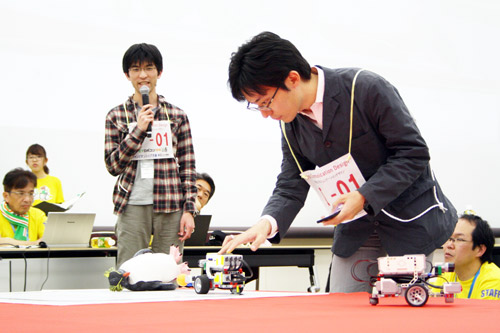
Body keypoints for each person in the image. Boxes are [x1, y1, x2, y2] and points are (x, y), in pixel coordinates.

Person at [220, 31, 457, 293]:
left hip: (409, 222)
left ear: (293, 78)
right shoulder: (290, 124)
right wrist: (266, 223)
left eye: (265, 102)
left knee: (406, 312)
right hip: (356, 230)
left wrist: (364, 196)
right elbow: (291, 183)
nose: (266, 114)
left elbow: (413, 153)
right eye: (257, 106)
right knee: (340, 312)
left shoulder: (364, 88)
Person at [105, 43, 197, 267]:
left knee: (168, 273)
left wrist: (189, 210)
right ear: (127, 75)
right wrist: (138, 129)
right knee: (129, 272)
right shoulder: (116, 115)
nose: (143, 75)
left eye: (149, 68)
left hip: (171, 204)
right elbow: (112, 165)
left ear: (159, 72)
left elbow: (188, 165)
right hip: (132, 204)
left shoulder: (176, 115)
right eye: (136, 69)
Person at [434, 213, 500, 300]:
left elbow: (484, 313)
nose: (449, 245)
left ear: (480, 250)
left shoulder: (493, 280)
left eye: (459, 239)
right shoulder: (445, 274)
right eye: (449, 238)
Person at [0, 168, 46, 246]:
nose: (27, 199)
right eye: (21, 193)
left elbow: (50, 239)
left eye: (31, 193)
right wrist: (34, 243)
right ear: (6, 196)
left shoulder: (37, 214)